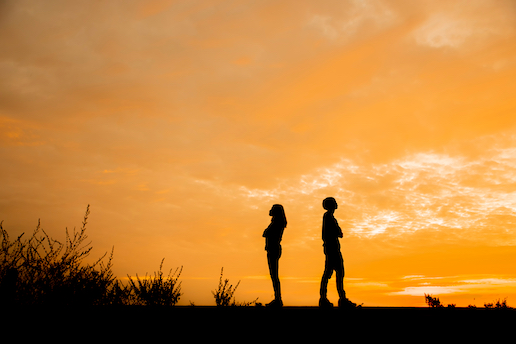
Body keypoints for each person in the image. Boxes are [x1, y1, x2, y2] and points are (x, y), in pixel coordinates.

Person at [319, 197, 358, 309]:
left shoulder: (330, 217)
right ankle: (329, 299)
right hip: (332, 249)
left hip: (332, 248)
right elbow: (338, 233)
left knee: (334, 274)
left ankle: (336, 299)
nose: (336, 204)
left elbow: (339, 233)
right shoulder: (328, 217)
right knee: (333, 274)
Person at [262, 204, 287, 307]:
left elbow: (265, 233)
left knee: (274, 275)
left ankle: (278, 299)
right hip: (274, 248)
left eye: (272, 209)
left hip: (273, 249)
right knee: (274, 275)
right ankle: (277, 299)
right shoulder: (277, 222)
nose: (270, 210)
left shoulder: (276, 223)